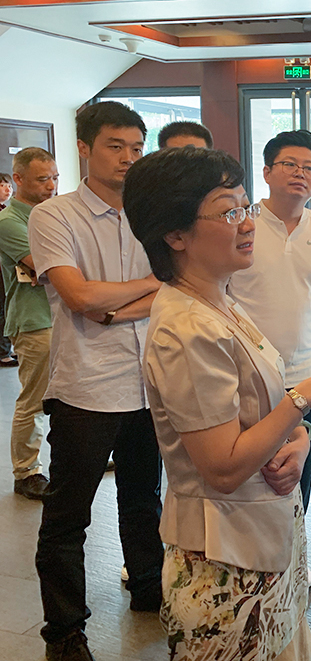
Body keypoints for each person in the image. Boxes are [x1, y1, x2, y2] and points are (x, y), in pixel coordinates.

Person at [124, 146, 311, 661]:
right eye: (229, 212)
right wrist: (304, 398)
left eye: (246, 206)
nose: (248, 223)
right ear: (175, 235)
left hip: (264, 540)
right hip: (223, 562)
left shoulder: (221, 299)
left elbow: (264, 401)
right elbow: (223, 467)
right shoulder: (187, 328)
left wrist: (299, 439)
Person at [29, 101, 164, 661]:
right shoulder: (55, 216)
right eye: (115, 146)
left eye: (136, 148)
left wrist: (114, 307)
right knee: (68, 516)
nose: (128, 158)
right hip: (85, 388)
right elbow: (78, 296)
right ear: (84, 148)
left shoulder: (152, 213)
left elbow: (175, 287)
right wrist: (145, 287)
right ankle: (65, 632)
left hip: (149, 383)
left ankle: (150, 591)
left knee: (144, 500)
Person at [229, 130, 311, 514]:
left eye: (310, 168)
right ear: (266, 172)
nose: (301, 173)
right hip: (247, 374)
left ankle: (295, 548)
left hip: (307, 375)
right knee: (251, 474)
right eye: (290, 165)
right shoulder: (241, 225)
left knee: (298, 475)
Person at [0, 147, 58, 499]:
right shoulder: (9, 222)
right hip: (34, 320)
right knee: (35, 400)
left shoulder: (53, 215)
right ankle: (26, 472)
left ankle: (73, 458)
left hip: (64, 316)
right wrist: (54, 268)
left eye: (54, 178)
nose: (51, 185)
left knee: (70, 397)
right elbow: (49, 266)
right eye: (42, 179)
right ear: (18, 179)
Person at [0, 171, 16, 367]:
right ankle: (3, 352)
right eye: (3, 185)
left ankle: (8, 348)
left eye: (9, 186)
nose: (8, 189)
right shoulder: (5, 218)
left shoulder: (7, 210)